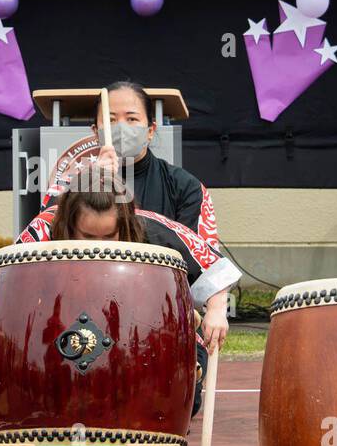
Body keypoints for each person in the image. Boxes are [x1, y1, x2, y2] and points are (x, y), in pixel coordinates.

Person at [19, 163, 241, 414]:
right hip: (69, 338)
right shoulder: (43, 231)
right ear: (69, 225)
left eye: (108, 236)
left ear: (123, 224)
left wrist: (217, 310)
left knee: (168, 406)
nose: (99, 247)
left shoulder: (152, 228)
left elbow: (214, 268)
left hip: (142, 339)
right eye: (88, 237)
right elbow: (3, 286)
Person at [44, 81, 229, 350]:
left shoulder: (184, 187)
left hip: (159, 323)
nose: (121, 128)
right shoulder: (69, 188)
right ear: (96, 132)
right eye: (110, 120)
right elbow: (44, 244)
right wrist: (94, 180)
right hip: (80, 321)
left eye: (131, 119)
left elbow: (205, 260)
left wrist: (217, 308)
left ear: (151, 130)